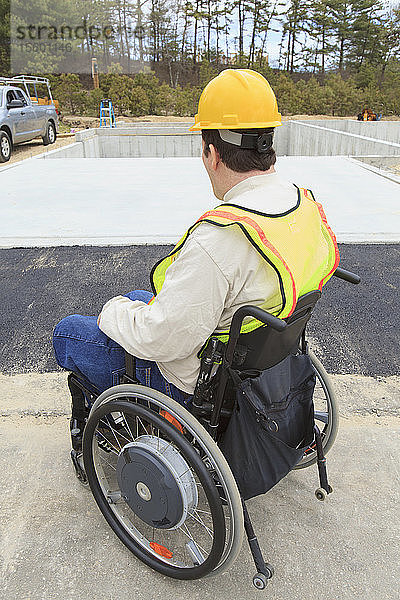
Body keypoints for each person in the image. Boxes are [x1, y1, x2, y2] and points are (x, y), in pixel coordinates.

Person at [53, 68, 339, 452]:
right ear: (269, 143)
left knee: (69, 332)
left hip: (201, 382)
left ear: (212, 152)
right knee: (144, 297)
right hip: (261, 359)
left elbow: (163, 338)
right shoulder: (301, 204)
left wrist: (112, 312)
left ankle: (99, 421)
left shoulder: (220, 239)